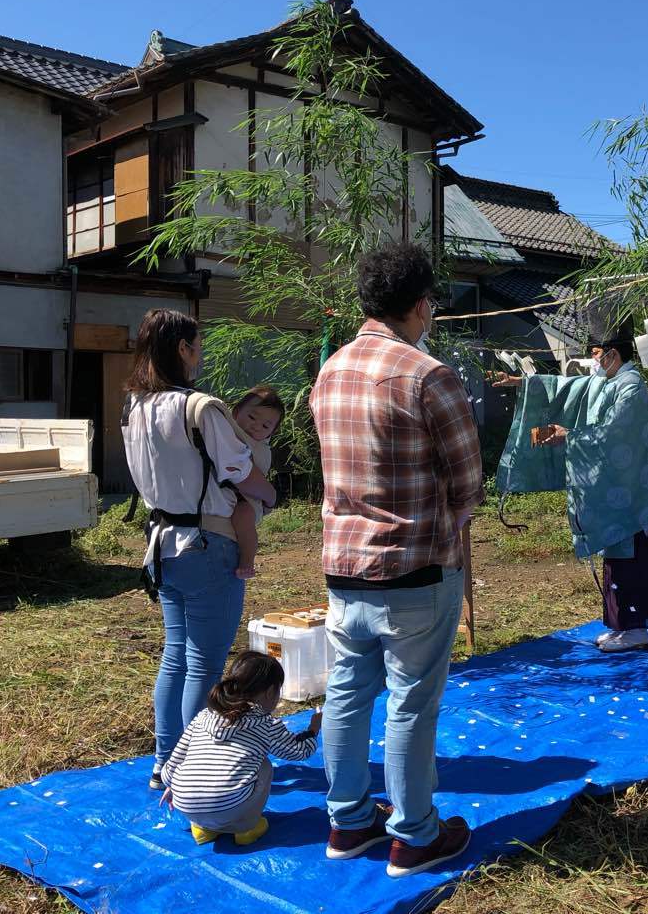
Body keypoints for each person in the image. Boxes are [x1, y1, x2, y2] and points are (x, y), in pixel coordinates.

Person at [311, 240, 483, 878]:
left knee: (348, 696)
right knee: (411, 703)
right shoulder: (427, 374)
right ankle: (413, 836)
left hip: (343, 569)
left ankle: (349, 822)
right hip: (414, 569)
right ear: (419, 305)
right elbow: (468, 483)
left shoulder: (328, 371)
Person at [121, 309, 277, 791]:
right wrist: (269, 494)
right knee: (204, 666)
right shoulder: (201, 407)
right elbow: (238, 469)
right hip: (210, 544)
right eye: (198, 344)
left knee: (175, 657)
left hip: (164, 546)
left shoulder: (134, 406)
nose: (201, 353)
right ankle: (190, 766)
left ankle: (164, 761)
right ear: (184, 350)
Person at [493, 319, 648, 652]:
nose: (593, 361)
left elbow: (616, 431)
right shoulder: (604, 381)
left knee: (635, 558)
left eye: (596, 354)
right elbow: (565, 387)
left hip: (635, 489)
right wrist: (523, 384)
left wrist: (573, 436)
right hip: (611, 488)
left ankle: (636, 627)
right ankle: (620, 624)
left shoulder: (631, 385)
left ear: (611, 354)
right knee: (616, 556)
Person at [159, 650, 321, 846]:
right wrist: (313, 729)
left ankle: (204, 829)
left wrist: (174, 784)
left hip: (185, 805)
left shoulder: (204, 716)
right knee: (264, 766)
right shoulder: (265, 724)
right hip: (228, 807)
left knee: (200, 761)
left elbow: (176, 758)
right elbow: (300, 751)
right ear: (270, 692)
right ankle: (246, 828)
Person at [228, 386, 285, 579]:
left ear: (271, 432)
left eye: (265, 426)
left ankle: (247, 560)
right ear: (235, 412)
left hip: (247, 500)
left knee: (243, 518)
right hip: (233, 494)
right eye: (252, 418)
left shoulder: (258, 446)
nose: (256, 426)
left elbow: (244, 471)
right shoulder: (227, 430)